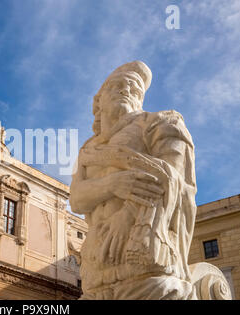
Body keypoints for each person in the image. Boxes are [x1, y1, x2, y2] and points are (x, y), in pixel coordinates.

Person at [70, 61, 198, 299]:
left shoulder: (161, 123)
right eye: (118, 86)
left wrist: (128, 214)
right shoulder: (88, 149)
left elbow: (172, 179)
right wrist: (113, 184)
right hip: (95, 269)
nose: (127, 91)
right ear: (99, 101)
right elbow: (77, 199)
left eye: (135, 89)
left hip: (143, 260)